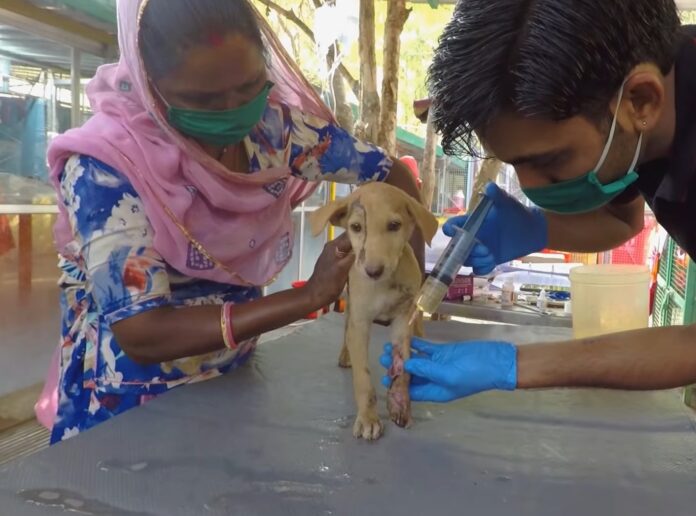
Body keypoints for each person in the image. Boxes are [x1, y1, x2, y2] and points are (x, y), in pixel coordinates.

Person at [42, 0, 422, 443]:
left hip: (235, 384)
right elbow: (143, 333)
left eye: (249, 88)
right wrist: (309, 298)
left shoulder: (274, 129)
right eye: (203, 100)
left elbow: (390, 172)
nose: (232, 111)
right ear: (151, 85)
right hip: (127, 404)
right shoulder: (105, 168)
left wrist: (409, 278)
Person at [381, 0, 696, 403]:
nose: (531, 188)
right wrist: (537, 227)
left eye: (549, 161)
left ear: (641, 101)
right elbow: (623, 220)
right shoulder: (638, 113)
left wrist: (515, 365)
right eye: (513, 164)